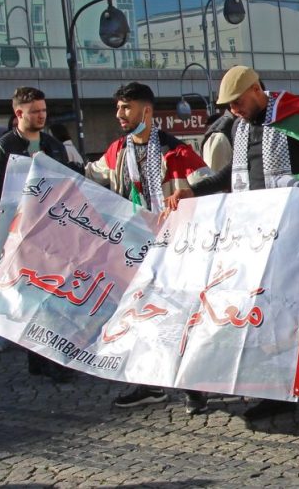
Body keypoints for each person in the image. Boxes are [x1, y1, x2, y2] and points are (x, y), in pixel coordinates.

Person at [165, 65, 299, 424]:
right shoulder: (239, 127)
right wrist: (195, 190)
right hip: (254, 238)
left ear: (256, 89)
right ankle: (276, 392)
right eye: (229, 106)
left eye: (237, 102)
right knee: (266, 319)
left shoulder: (296, 116)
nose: (233, 110)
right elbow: (230, 176)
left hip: (298, 234)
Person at [85, 82, 213, 414]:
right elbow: (90, 177)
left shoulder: (177, 151)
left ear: (147, 111)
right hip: (135, 250)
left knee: (183, 317)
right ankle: (151, 384)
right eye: (117, 108)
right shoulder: (116, 152)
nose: (119, 114)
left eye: (125, 107)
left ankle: (194, 385)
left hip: (176, 249)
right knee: (143, 319)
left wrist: (189, 196)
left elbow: (211, 188)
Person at [0, 86, 78, 383]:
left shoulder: (54, 145)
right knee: (32, 296)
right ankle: (39, 356)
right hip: (21, 234)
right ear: (19, 114)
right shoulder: (3, 148)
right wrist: (22, 213)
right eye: (35, 111)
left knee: (54, 294)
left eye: (43, 110)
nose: (41, 116)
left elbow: (66, 185)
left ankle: (47, 355)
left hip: (53, 232)